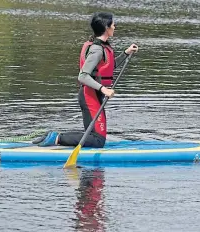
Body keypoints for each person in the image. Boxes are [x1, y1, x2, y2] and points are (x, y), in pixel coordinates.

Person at [35, 12, 138, 147]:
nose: (114, 27)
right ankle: (57, 138)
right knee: (97, 140)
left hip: (93, 95)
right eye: (113, 24)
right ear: (106, 28)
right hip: (90, 96)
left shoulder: (102, 46)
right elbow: (82, 76)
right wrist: (104, 89)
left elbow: (108, 67)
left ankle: (54, 136)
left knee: (94, 136)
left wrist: (126, 53)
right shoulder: (97, 49)